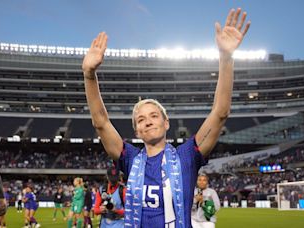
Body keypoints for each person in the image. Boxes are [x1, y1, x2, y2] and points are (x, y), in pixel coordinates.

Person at [82, 8, 250, 228]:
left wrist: (226, 57)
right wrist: (89, 75)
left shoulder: (187, 156)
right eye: (141, 120)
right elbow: (101, 122)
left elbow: (220, 113)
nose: (148, 121)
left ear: (166, 122)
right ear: (137, 131)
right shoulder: (130, 159)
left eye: (154, 115)